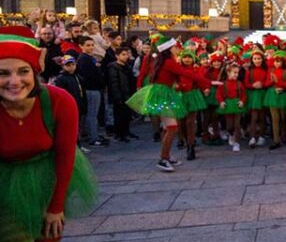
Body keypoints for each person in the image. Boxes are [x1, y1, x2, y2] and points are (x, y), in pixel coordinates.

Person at [0, 26, 97, 242]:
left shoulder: (58, 101)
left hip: (46, 178)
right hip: (4, 182)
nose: (14, 81)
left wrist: (56, 205)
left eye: (22, 71)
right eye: (3, 73)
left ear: (35, 72)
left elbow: (66, 155)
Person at [126, 36, 206, 172]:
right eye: (175, 47)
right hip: (162, 95)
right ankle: (163, 159)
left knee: (168, 127)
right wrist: (207, 82)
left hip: (163, 94)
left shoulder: (165, 61)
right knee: (172, 127)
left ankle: (166, 156)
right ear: (169, 49)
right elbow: (185, 73)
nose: (178, 49)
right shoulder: (168, 62)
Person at [76, 35, 107, 147]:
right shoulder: (84, 59)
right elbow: (88, 75)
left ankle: (94, 135)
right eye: (88, 45)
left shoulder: (90, 57)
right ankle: (93, 137)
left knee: (93, 113)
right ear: (81, 46)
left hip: (94, 88)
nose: (91, 47)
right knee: (92, 114)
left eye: (92, 45)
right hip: (91, 89)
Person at [105, 47, 135, 143]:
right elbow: (113, 83)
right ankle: (119, 134)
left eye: (127, 54)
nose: (126, 56)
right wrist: (117, 96)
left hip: (128, 94)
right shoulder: (113, 67)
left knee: (127, 115)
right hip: (119, 96)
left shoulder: (127, 66)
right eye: (123, 54)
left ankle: (126, 132)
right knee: (119, 115)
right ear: (117, 56)